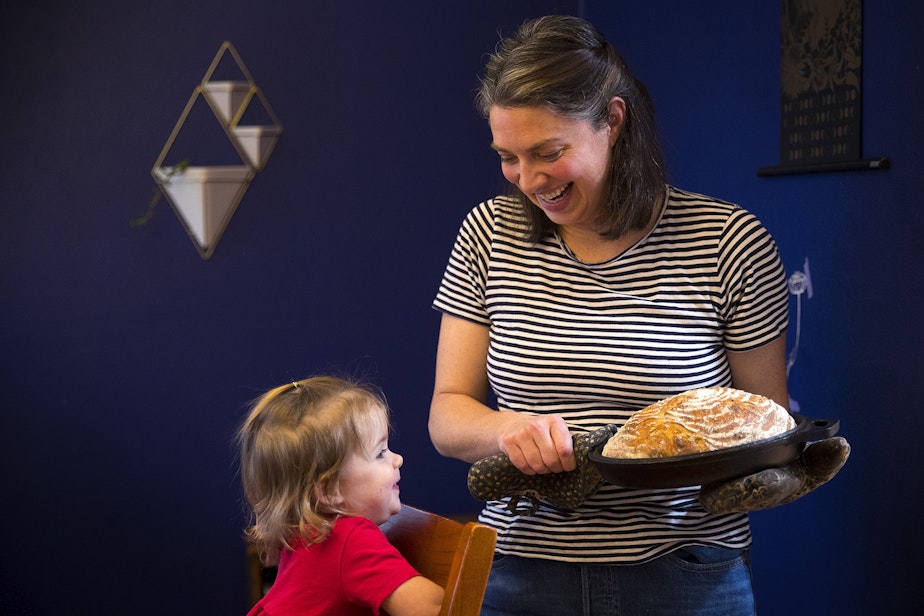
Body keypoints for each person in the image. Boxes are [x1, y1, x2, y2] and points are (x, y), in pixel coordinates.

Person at [429, 14, 844, 616]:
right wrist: (507, 431)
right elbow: (447, 414)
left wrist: (776, 467)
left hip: (686, 574)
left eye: (548, 152)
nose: (528, 180)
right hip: (522, 572)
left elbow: (766, 419)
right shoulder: (488, 233)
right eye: (508, 157)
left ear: (613, 121)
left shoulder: (727, 240)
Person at [238, 376, 443, 616]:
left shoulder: (305, 530)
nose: (398, 460)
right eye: (380, 453)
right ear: (328, 491)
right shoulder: (350, 538)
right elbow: (433, 608)